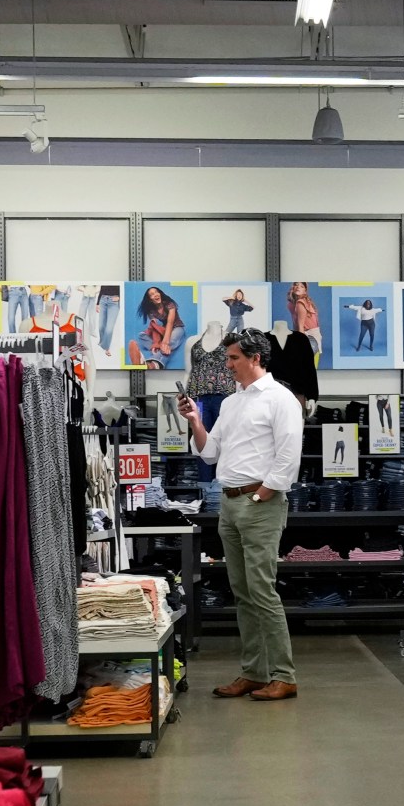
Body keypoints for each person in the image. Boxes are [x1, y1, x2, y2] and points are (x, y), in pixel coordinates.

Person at [179, 328, 304, 700]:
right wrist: (195, 421)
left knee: (262, 590)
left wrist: (264, 493)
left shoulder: (280, 399)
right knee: (243, 591)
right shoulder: (233, 403)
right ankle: (254, 671)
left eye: (233, 358)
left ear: (255, 359)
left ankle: (284, 674)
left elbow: (289, 454)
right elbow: (210, 452)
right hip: (230, 503)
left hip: (259, 503)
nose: (228, 364)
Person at [136, 284, 184, 367]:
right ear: (150, 300)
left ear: (160, 294)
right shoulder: (151, 311)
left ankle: (154, 363)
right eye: (152, 294)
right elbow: (154, 327)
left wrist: (165, 342)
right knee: (141, 335)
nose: (155, 295)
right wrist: (156, 343)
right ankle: (158, 347)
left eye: (156, 292)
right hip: (164, 330)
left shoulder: (170, 304)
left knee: (170, 342)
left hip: (177, 327)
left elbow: (170, 322)